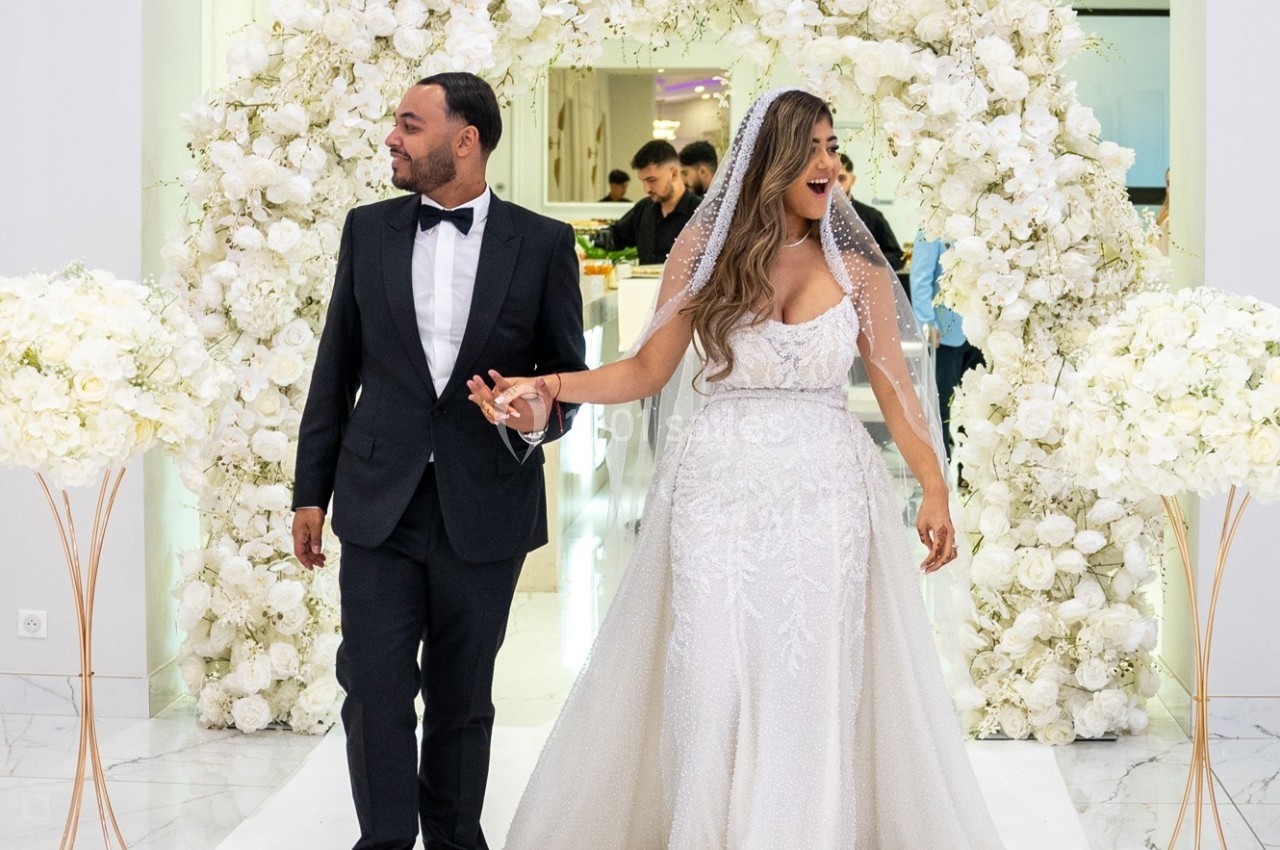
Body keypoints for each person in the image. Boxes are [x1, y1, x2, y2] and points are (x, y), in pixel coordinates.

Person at [467, 89, 1003, 849]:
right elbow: (645, 369)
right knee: (711, 673)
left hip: (826, 492)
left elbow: (896, 390)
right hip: (715, 489)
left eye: (832, 146)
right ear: (770, 159)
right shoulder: (702, 255)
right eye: (812, 147)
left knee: (808, 672)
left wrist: (935, 487)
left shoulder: (859, 270)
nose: (828, 163)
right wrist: (550, 386)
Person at [291, 72, 587, 850]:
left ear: (466, 140)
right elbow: (335, 368)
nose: (392, 138)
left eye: (410, 125)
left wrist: (536, 414)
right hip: (378, 501)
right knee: (373, 688)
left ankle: (457, 841)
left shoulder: (543, 244)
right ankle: (384, 842)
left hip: (485, 503)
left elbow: (566, 379)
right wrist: (309, 492)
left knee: (463, 699)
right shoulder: (368, 230)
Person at [911, 233, 985, 460]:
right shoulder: (932, 229)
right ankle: (942, 464)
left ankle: (971, 468)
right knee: (941, 405)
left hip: (981, 333)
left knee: (979, 405)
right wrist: (927, 322)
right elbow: (920, 278)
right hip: (944, 335)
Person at [591, 140, 701, 264]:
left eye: (652, 180)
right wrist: (606, 236)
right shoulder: (644, 209)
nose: (646, 189)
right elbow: (618, 235)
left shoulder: (701, 213)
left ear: (674, 174)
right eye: (643, 181)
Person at [838, 151, 904, 271]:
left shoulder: (872, 216)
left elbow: (897, 257)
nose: (836, 185)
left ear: (852, 179)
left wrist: (866, 262)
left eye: (841, 178)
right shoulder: (813, 216)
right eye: (830, 180)